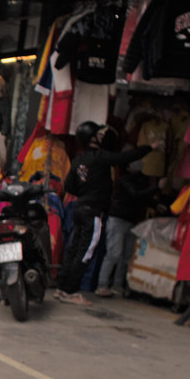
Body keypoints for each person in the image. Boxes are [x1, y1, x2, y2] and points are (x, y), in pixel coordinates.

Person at [57, 121, 156, 305]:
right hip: (93, 212)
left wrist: (86, 191)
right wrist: (150, 147)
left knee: (73, 249)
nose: (102, 137)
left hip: (80, 208)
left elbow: (70, 186)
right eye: (99, 134)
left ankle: (62, 287)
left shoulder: (78, 160)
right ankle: (70, 291)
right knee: (85, 252)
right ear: (92, 138)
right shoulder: (101, 157)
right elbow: (126, 157)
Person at [96, 169, 163, 297]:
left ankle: (117, 285)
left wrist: (155, 204)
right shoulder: (125, 180)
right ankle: (102, 284)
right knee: (114, 253)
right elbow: (136, 194)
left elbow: (141, 197)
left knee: (125, 256)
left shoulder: (140, 180)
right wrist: (156, 188)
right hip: (118, 219)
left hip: (131, 221)